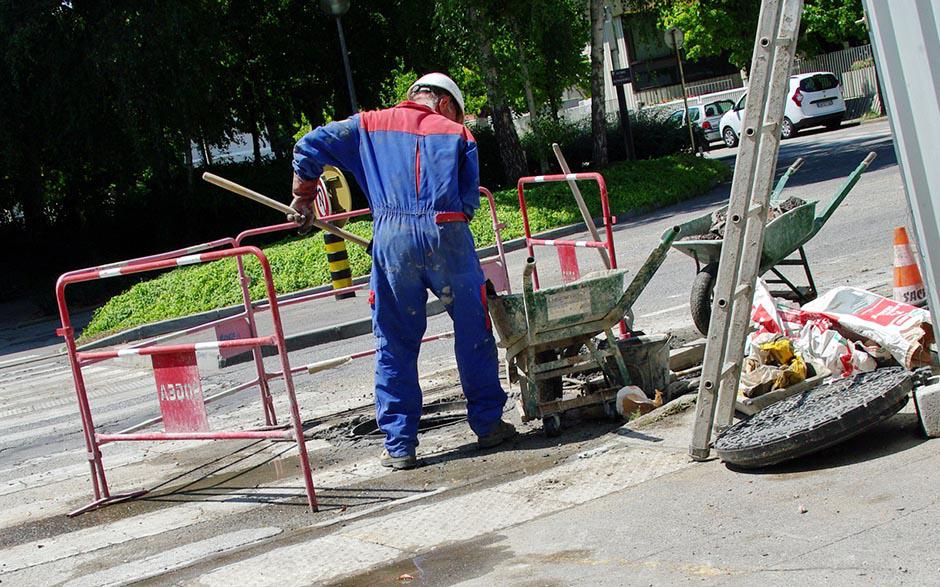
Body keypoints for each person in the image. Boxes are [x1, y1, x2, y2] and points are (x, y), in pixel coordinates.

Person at [290, 73, 516, 469]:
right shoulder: (458, 135)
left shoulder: (368, 124)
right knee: (473, 331)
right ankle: (489, 425)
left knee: (394, 341)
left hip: (391, 239)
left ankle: (400, 447)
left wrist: (302, 197)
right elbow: (467, 203)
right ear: (446, 104)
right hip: (448, 233)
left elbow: (308, 146)